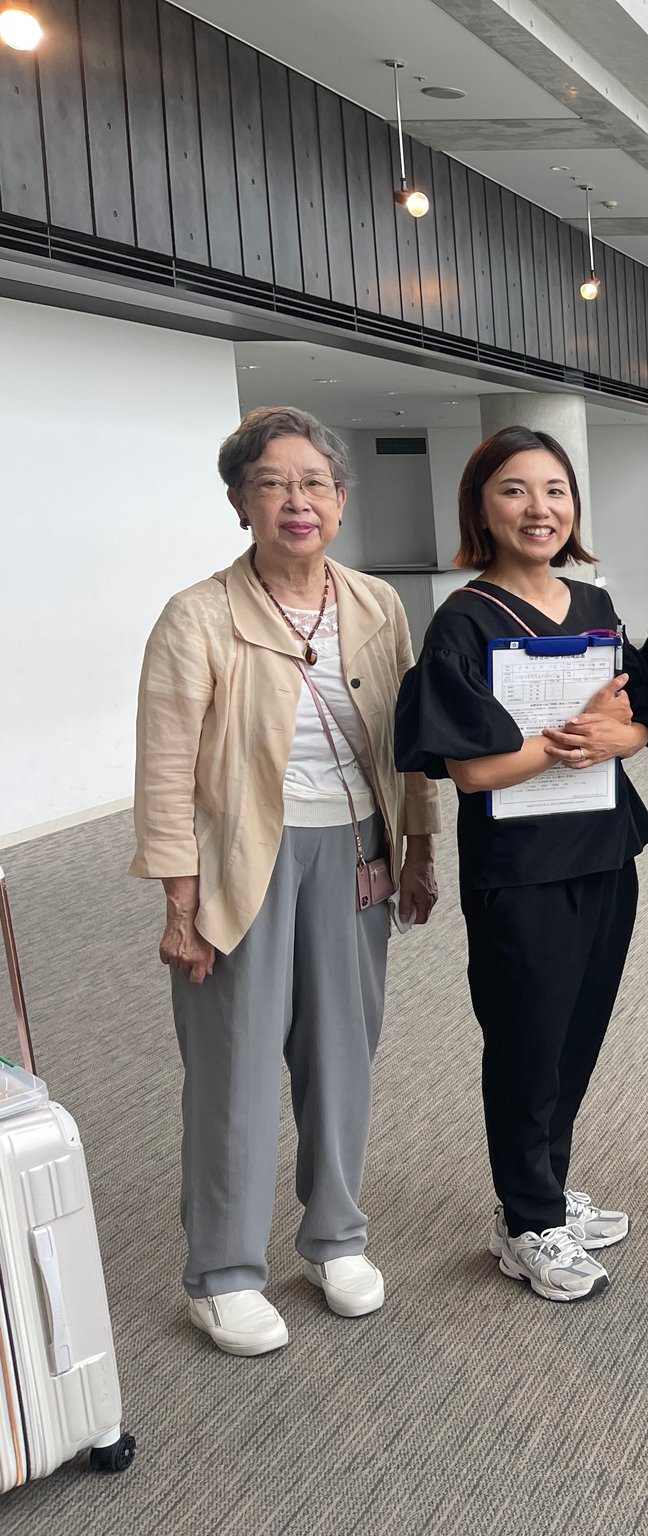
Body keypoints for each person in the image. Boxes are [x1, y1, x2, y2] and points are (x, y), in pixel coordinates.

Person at [132, 406, 439, 1356]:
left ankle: (335, 1238)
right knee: (233, 1066)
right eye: (272, 484)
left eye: (314, 483)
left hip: (354, 851)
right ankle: (222, 1273)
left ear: (341, 500)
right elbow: (164, 771)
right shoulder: (197, 615)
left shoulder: (376, 605)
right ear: (240, 503)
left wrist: (419, 848)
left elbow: (408, 742)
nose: (296, 501)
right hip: (241, 863)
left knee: (343, 1056)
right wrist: (180, 905)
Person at [394, 426, 648, 1303]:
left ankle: (545, 1189)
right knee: (525, 1042)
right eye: (514, 490)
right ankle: (526, 1223)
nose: (538, 508)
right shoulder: (464, 620)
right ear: (481, 508)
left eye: (555, 490)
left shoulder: (594, 604)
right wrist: (564, 744)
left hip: (604, 850)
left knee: (578, 1032)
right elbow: (472, 770)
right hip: (519, 866)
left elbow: (641, 719)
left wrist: (622, 736)